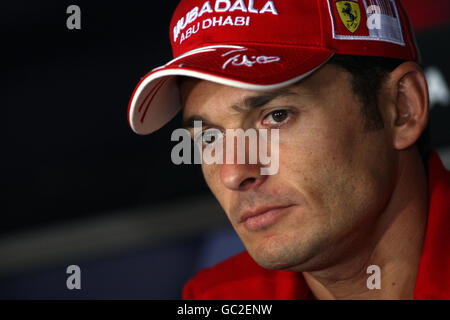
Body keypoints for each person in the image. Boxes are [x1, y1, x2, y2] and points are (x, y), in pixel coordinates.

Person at [127, 0, 450, 299]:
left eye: (277, 116)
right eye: (210, 137)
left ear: (402, 108)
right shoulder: (219, 297)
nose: (234, 172)